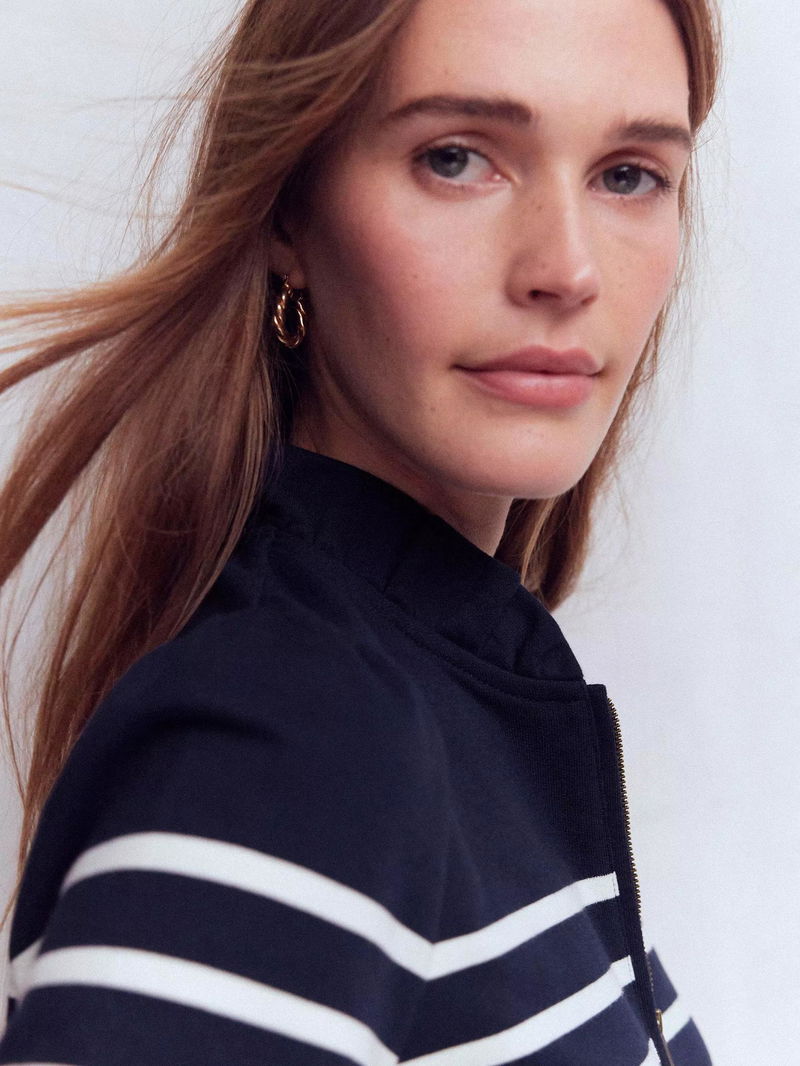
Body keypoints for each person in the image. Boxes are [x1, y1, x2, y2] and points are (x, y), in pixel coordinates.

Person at [0, 0, 721, 1062]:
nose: (568, 269)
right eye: (455, 158)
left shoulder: (435, 693)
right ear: (288, 214)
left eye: (628, 175)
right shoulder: (291, 735)